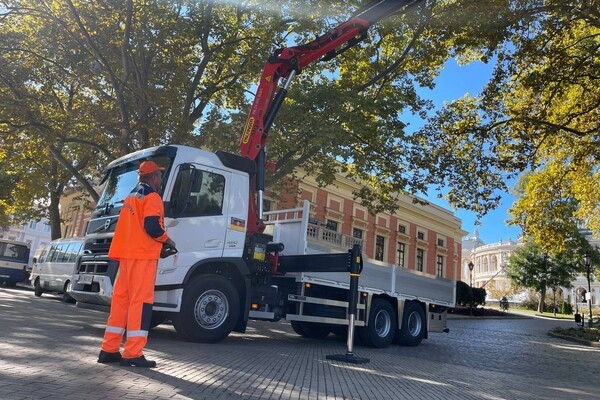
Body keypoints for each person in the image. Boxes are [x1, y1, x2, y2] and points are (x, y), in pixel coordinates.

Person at [97, 160, 176, 368]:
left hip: (126, 256)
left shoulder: (131, 196)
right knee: (140, 303)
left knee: (121, 302)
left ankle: (109, 349)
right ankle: (132, 353)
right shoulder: (152, 197)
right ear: (154, 177)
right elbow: (152, 227)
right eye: (160, 176)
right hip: (142, 258)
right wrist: (167, 240)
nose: (160, 180)